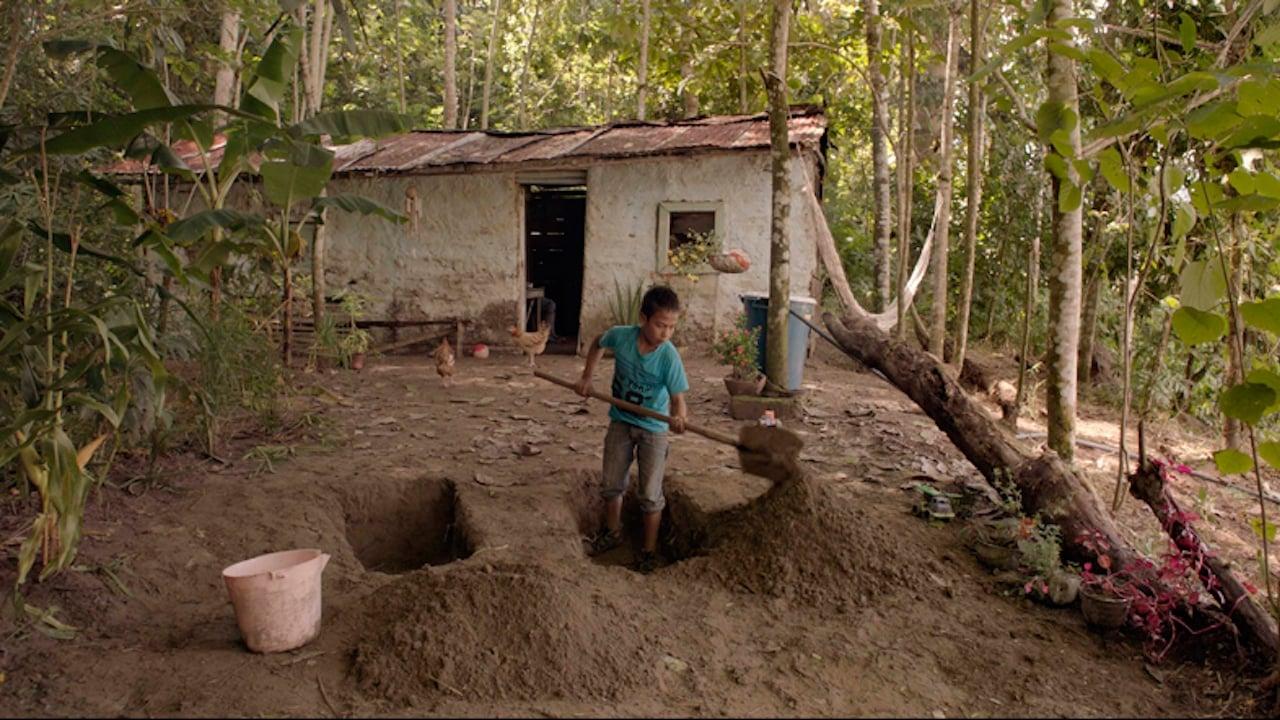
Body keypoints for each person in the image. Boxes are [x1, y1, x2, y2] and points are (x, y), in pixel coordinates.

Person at [574, 285, 689, 573]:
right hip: (621, 422)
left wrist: (679, 418)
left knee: (650, 494)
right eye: (660, 325)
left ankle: (648, 552)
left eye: (672, 327)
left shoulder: (668, 356)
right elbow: (598, 343)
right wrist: (587, 377)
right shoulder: (622, 337)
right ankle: (612, 535)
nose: (666, 333)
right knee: (612, 483)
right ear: (643, 318)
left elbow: (678, 400)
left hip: (653, 430)